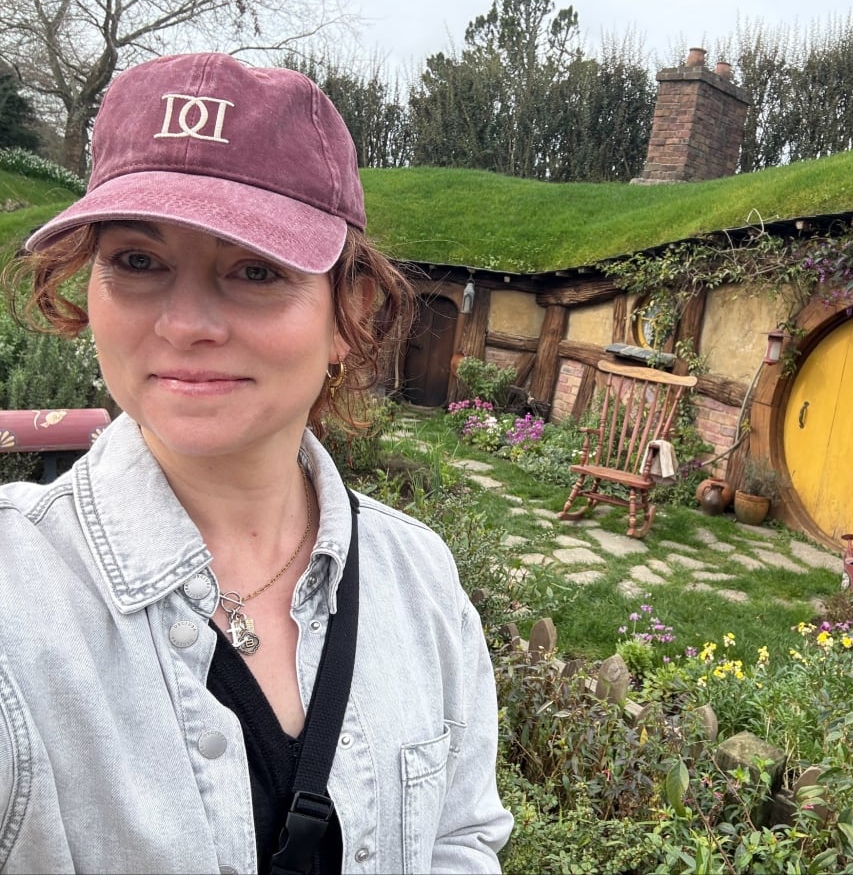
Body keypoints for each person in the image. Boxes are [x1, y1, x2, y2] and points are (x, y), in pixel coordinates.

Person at [0, 53, 512, 874]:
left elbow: (460, 836)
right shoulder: (19, 600)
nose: (188, 321)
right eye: (138, 260)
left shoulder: (419, 582)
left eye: (254, 269)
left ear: (350, 312)